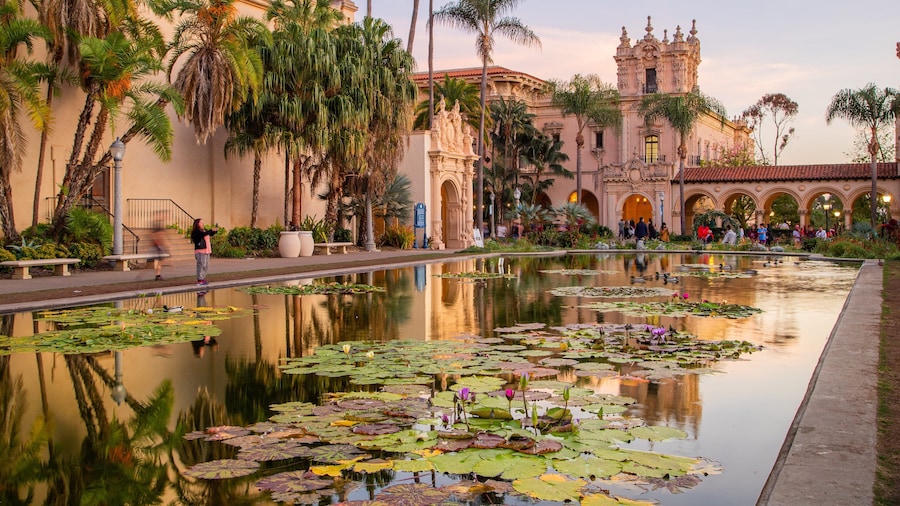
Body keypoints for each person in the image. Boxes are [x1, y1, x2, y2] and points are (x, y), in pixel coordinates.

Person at [191, 218, 218, 286]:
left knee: (206, 265)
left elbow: (209, 234)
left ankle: (202, 279)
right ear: (197, 224)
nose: (203, 224)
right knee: (201, 265)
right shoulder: (196, 232)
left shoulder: (204, 231)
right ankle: (199, 280)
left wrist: (214, 231)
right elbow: (203, 234)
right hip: (200, 251)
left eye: (203, 222)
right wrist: (210, 230)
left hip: (206, 251)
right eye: (201, 223)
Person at [151, 211, 169, 281]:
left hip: (159, 245)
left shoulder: (159, 224)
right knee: (158, 261)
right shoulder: (156, 225)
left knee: (159, 261)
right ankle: (157, 275)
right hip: (157, 246)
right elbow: (155, 235)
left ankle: (158, 275)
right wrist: (159, 244)